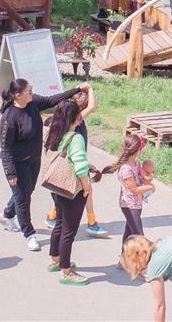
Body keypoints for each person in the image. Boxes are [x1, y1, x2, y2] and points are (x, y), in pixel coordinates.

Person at [0, 79, 82, 252]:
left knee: (26, 191)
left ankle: (6, 215)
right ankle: (29, 234)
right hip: (17, 163)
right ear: (17, 96)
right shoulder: (10, 117)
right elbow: (5, 148)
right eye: (29, 91)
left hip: (33, 160)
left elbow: (52, 99)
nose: (32, 93)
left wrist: (76, 90)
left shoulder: (33, 102)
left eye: (32, 90)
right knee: (23, 199)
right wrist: (10, 173)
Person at [45, 86, 107, 238]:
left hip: (71, 161)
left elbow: (92, 104)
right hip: (75, 163)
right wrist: (90, 88)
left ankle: (53, 216)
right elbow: (93, 105)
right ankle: (92, 223)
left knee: (64, 193)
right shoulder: (77, 120)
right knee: (86, 191)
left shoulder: (64, 119)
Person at [43, 100, 92, 285]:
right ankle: (66, 271)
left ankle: (55, 259)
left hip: (55, 185)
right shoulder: (75, 137)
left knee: (59, 224)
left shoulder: (53, 132)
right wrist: (87, 188)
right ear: (73, 117)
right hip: (71, 189)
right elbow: (80, 167)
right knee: (68, 231)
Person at [103, 134, 155, 248]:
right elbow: (135, 190)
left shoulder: (136, 162)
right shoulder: (125, 169)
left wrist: (148, 177)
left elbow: (142, 178)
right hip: (129, 205)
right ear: (137, 150)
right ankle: (144, 264)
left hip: (137, 203)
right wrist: (151, 187)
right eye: (141, 148)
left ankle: (123, 261)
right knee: (139, 236)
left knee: (129, 233)